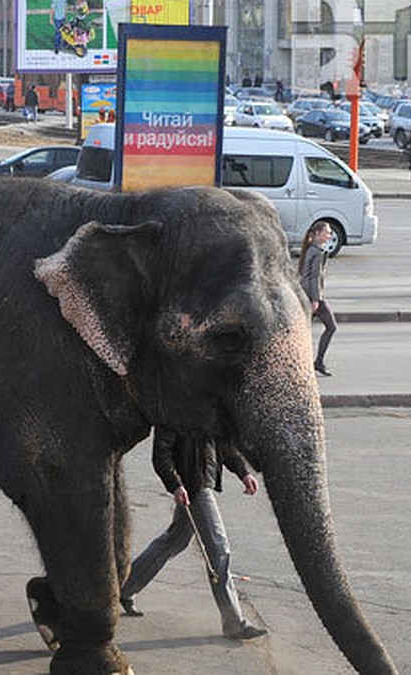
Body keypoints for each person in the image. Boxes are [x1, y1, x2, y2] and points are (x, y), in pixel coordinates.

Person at [119, 428, 267, 641]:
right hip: (194, 489)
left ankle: (125, 588)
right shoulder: (172, 410)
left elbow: (222, 444)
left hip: (198, 485)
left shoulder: (206, 406)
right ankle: (234, 623)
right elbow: (161, 455)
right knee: (219, 550)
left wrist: (243, 472)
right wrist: (175, 485)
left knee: (174, 541)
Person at [299, 221, 337, 376]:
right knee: (331, 326)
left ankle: (305, 363)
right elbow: (314, 276)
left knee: (304, 330)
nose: (329, 235)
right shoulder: (317, 251)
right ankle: (318, 362)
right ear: (318, 233)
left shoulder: (311, 249)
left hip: (306, 292)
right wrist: (316, 299)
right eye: (327, 232)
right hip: (312, 295)